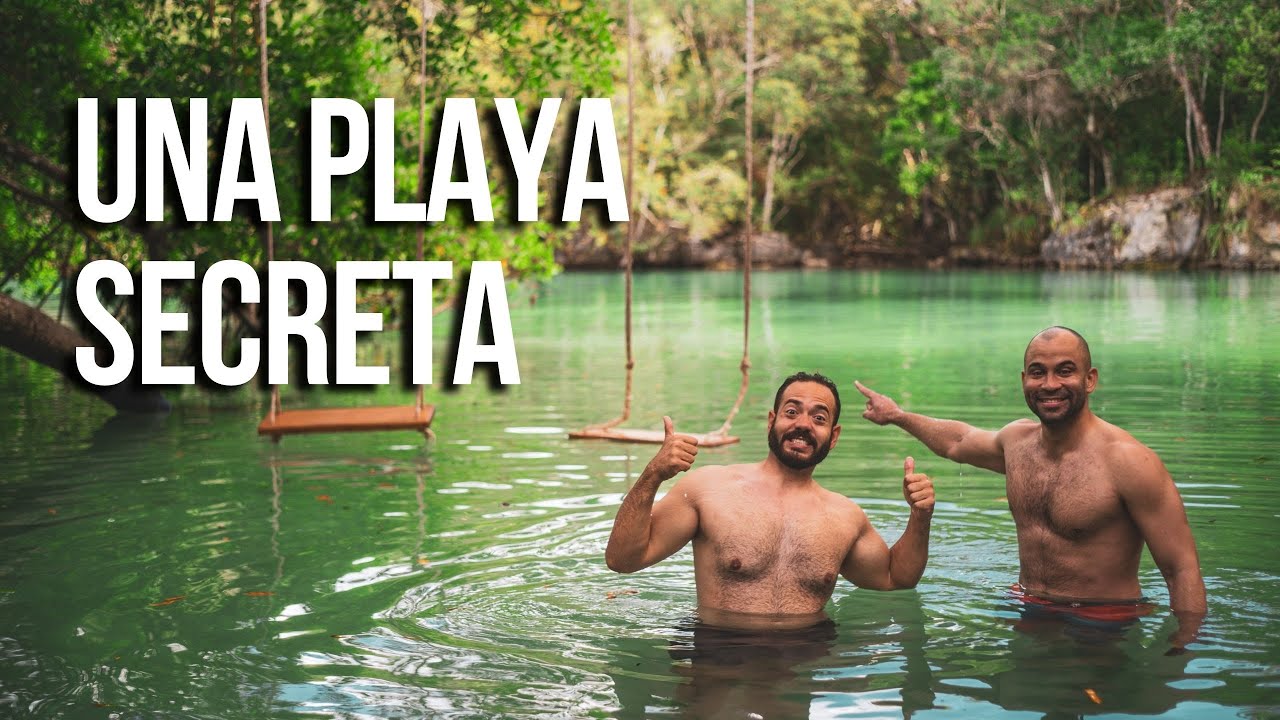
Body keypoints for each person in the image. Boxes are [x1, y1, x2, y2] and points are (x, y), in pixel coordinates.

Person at [855, 326, 1206, 646]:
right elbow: (958, 441)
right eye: (1038, 372)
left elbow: (1181, 568)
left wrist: (1181, 647)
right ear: (1024, 379)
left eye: (1065, 371)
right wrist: (898, 416)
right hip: (1026, 605)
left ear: (1090, 379)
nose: (1050, 384)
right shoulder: (1017, 444)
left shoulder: (1129, 462)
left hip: (1101, 620)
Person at [605, 371, 935, 629]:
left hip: (805, 653)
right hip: (719, 649)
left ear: (833, 437)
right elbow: (623, 559)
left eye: (819, 418)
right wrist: (653, 475)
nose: (803, 424)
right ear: (771, 421)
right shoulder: (709, 490)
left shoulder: (845, 516)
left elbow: (896, 578)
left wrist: (920, 516)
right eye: (792, 412)